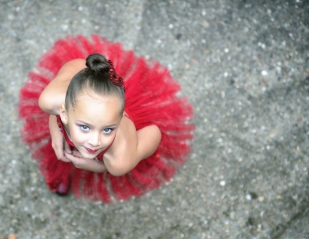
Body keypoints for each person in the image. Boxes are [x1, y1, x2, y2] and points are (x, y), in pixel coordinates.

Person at [19, 35, 194, 203]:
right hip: (72, 119)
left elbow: (154, 132)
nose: (95, 141)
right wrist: (55, 127)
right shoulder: (50, 101)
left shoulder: (120, 159)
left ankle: (83, 145)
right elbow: (78, 64)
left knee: (91, 155)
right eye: (85, 127)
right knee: (63, 156)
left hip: (116, 149)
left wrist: (101, 167)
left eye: (108, 129)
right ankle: (64, 171)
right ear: (63, 113)